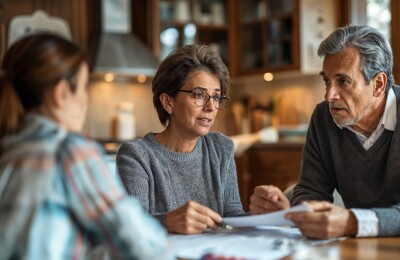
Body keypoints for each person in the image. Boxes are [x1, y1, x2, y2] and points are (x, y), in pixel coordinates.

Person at [0, 33, 168, 259]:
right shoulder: (67, 149)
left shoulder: (9, 149)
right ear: (61, 94)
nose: (85, 102)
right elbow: (142, 245)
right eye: (82, 87)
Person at [249, 25, 400, 239]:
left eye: (343, 81)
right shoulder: (323, 118)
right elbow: (312, 190)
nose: (329, 96)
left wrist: (352, 222)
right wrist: (292, 212)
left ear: (378, 84)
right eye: (327, 81)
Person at [117, 44, 245, 234]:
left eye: (216, 97)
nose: (211, 107)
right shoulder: (136, 156)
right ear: (168, 102)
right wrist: (168, 221)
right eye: (199, 95)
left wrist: (264, 215)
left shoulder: (221, 148)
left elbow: (232, 218)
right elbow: (131, 227)